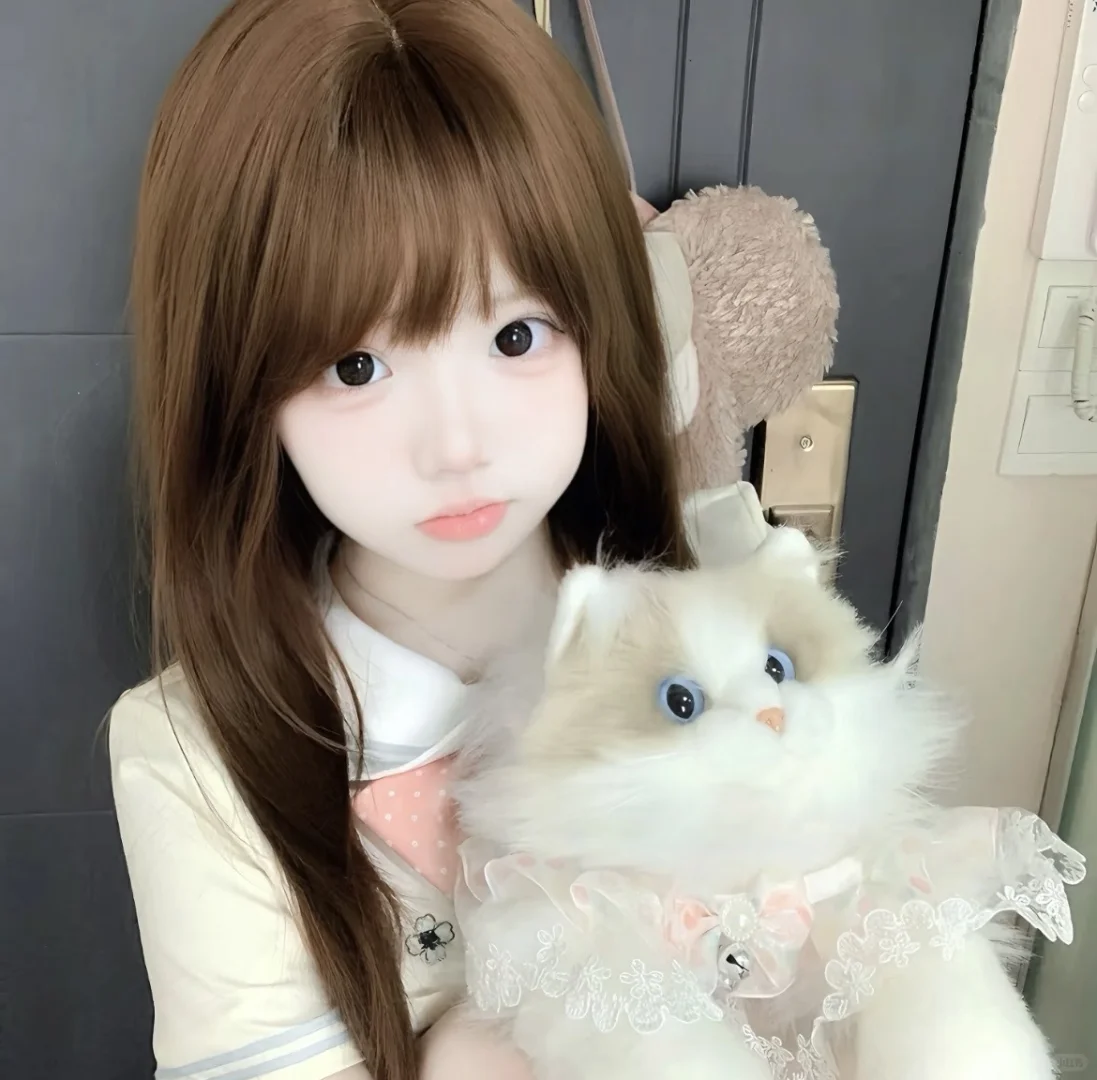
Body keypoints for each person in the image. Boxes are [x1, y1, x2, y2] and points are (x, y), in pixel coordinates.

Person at [109, 1, 696, 1078]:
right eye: (356, 366)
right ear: (242, 389)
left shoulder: (712, 632)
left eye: (515, 335)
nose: (456, 446)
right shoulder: (194, 756)